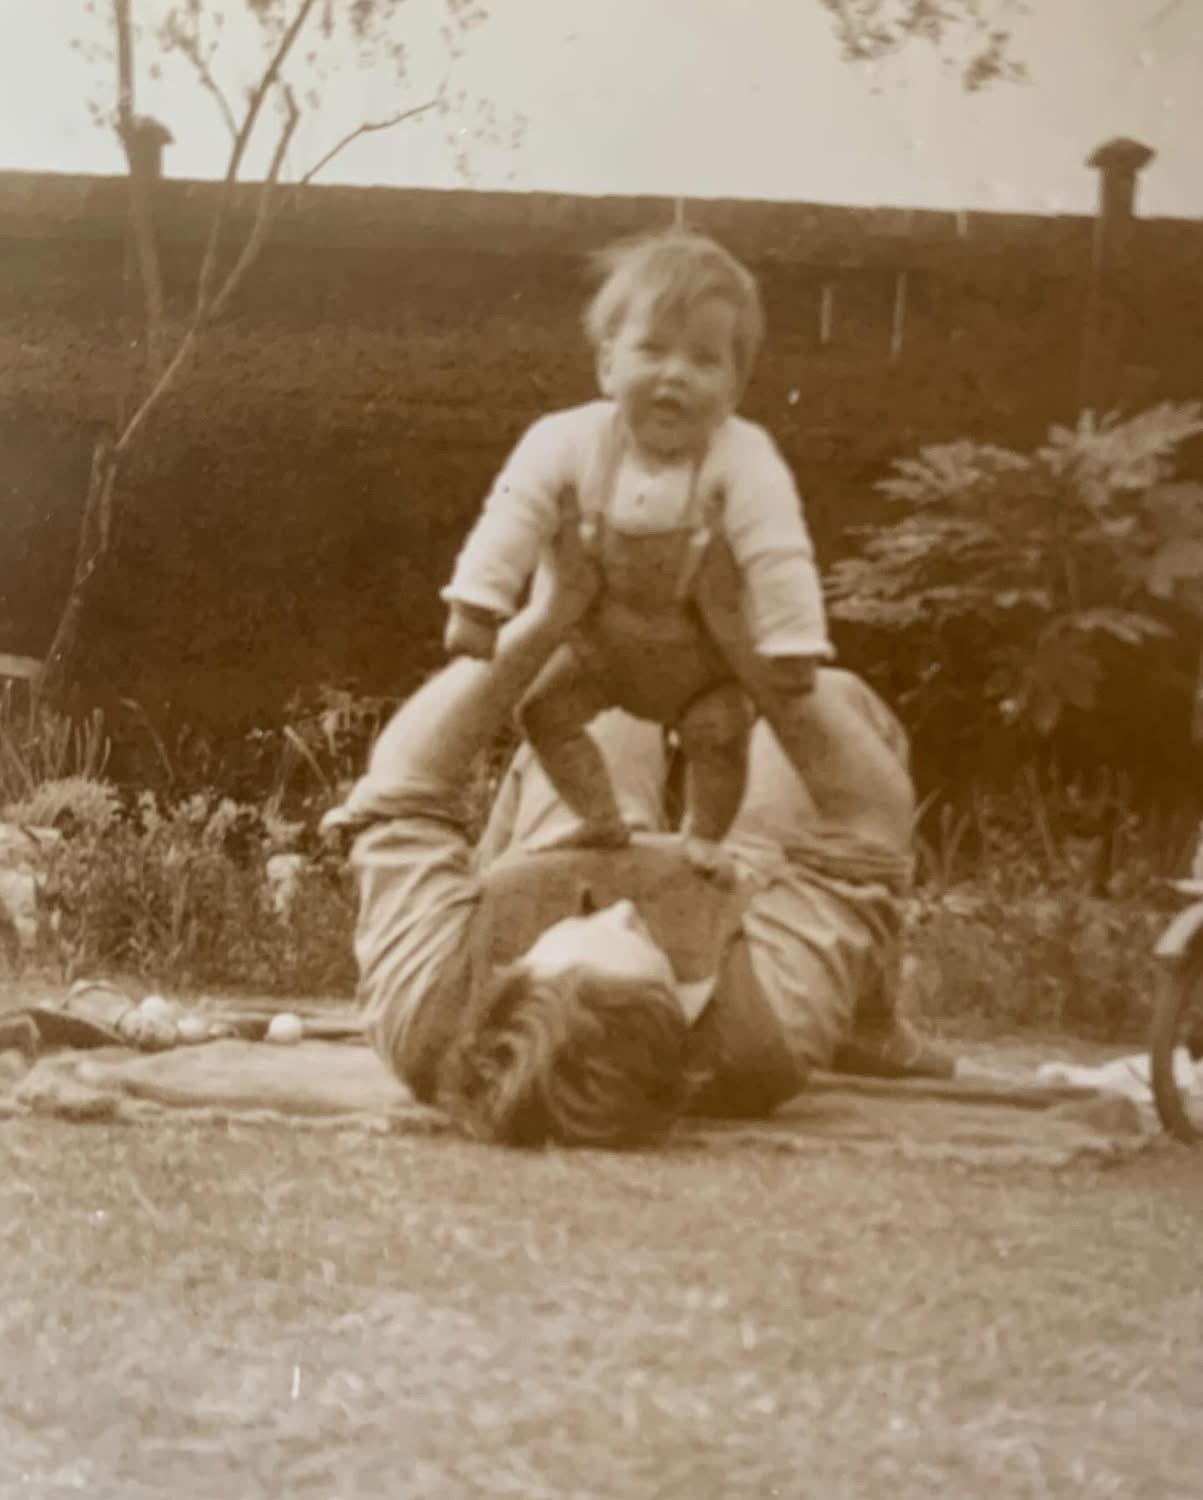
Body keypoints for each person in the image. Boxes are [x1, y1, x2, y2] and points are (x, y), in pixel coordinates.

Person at [325, 516, 952, 1149]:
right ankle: (862, 1020)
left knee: (608, 713)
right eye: (653, 952)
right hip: (737, 905)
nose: (626, 905)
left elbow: (402, 782)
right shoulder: (765, 1030)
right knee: (836, 701)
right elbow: (868, 827)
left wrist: (547, 621)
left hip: (566, 845)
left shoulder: (429, 1011)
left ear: (505, 976)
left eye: (588, 920)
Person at [439, 230, 832, 868]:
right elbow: (515, 514)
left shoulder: (744, 457)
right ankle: (601, 819)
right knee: (540, 710)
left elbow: (778, 551)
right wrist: (480, 601)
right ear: (607, 365)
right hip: (603, 653)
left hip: (701, 663)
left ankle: (705, 839)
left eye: (704, 360)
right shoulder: (565, 440)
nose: (674, 374)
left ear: (734, 389)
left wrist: (793, 641)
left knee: (721, 734)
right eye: (652, 349)